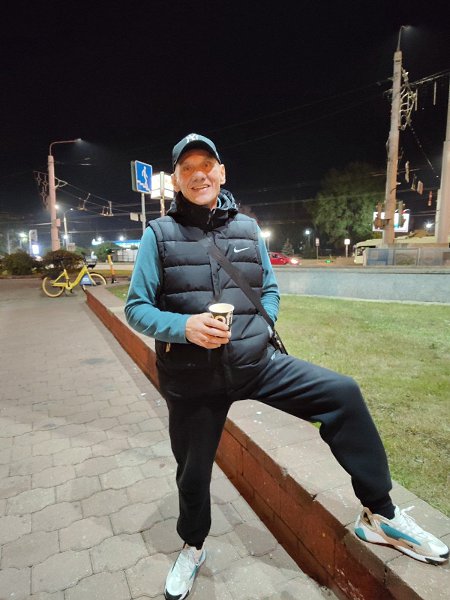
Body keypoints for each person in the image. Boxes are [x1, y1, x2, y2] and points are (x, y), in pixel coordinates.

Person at [125, 133, 448, 600]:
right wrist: (185, 327)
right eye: (187, 168)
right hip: (193, 377)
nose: (198, 175)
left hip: (257, 363)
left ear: (221, 173)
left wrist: (263, 322)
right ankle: (193, 546)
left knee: (342, 394)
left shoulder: (247, 229)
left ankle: (381, 514)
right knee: (193, 473)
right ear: (176, 179)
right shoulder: (159, 235)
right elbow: (136, 308)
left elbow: (270, 289)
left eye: (207, 165)